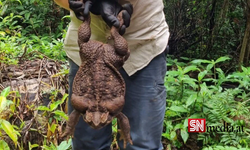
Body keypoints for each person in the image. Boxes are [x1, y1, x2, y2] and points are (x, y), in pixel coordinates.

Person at [54, 0, 170, 149]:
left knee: (141, 144)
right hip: (87, 53)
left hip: (142, 43)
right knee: (86, 145)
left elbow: (121, 118)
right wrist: (84, 5)